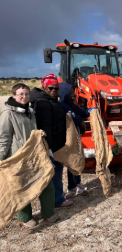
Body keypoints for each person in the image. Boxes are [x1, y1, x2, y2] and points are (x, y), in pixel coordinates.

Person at [0, 83, 59, 227]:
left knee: (46, 183)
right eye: (21, 94)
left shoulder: (30, 111)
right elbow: (4, 137)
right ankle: (24, 218)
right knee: (21, 188)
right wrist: (1, 158)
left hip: (34, 156)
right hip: (18, 158)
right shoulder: (8, 113)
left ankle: (48, 214)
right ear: (14, 95)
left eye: (26, 94)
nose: (24, 97)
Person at [30, 74, 73, 208]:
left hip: (57, 143)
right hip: (52, 145)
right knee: (55, 172)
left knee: (56, 172)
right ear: (44, 87)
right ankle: (57, 200)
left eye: (56, 88)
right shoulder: (43, 103)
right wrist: (48, 148)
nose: (54, 90)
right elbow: (45, 127)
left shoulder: (51, 100)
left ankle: (56, 196)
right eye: (51, 87)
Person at [58, 82, 95, 195]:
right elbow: (74, 118)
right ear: (65, 92)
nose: (73, 93)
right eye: (70, 92)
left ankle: (78, 182)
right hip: (69, 137)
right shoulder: (62, 105)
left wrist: (90, 111)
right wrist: (81, 119)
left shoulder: (71, 103)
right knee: (73, 160)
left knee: (78, 158)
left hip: (77, 135)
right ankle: (72, 186)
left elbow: (80, 112)